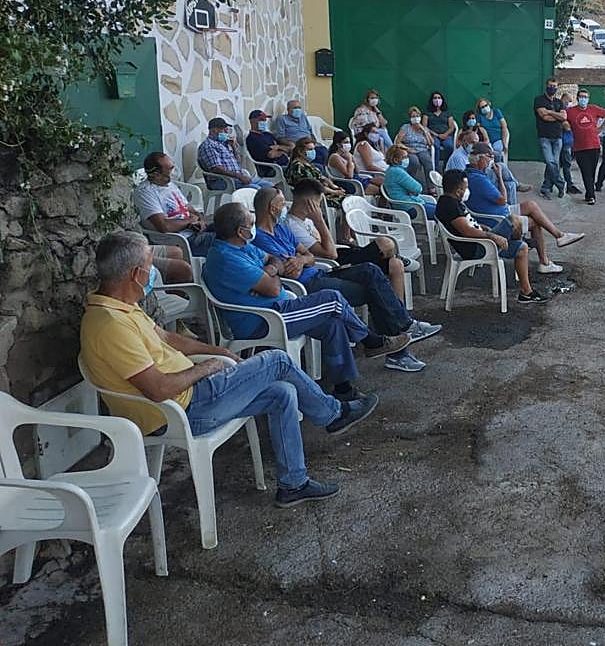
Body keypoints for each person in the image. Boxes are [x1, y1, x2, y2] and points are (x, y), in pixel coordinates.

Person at [81, 230, 378, 507]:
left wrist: (218, 351)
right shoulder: (111, 326)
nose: (153, 273)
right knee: (277, 360)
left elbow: (168, 338)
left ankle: (293, 484)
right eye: (150, 266)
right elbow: (158, 390)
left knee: (283, 393)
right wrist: (207, 368)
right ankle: (333, 414)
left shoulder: (124, 307)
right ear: (136, 275)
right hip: (181, 411)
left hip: (193, 396)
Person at [202, 203, 410, 399]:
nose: (254, 226)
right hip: (264, 320)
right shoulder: (227, 259)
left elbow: (274, 260)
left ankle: (344, 390)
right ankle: (371, 341)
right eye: (251, 223)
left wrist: (270, 270)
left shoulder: (241, 246)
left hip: (279, 308)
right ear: (241, 232)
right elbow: (274, 289)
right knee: (332, 299)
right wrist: (272, 277)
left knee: (332, 323)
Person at [250, 188, 439, 372]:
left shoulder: (281, 229)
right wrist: (301, 260)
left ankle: (403, 329)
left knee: (370, 270)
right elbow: (290, 272)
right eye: (282, 204)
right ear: (272, 209)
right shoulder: (260, 239)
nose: (285, 207)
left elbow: (309, 257)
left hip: (319, 273)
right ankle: (398, 350)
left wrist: (302, 260)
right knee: (375, 291)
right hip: (307, 286)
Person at [464, 142, 584, 274]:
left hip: (497, 211)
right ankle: (545, 260)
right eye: (489, 157)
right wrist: (499, 177)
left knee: (530, 205)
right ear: (480, 159)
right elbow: (503, 200)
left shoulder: (472, 173)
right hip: (497, 218)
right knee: (535, 222)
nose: (491, 161)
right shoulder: (478, 179)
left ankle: (559, 236)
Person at [287, 179, 412, 303]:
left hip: (341, 253)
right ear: (308, 203)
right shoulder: (293, 226)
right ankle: (396, 260)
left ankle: (400, 311)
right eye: (318, 204)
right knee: (385, 243)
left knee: (396, 264)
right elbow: (330, 254)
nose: (319, 209)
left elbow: (328, 244)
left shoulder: (308, 220)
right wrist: (319, 221)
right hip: (333, 262)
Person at [436, 169, 547, 304]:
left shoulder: (450, 201)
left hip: (480, 242)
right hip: (477, 248)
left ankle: (526, 293)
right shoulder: (449, 206)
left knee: (521, 248)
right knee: (513, 220)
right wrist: (493, 236)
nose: (467, 191)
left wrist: (482, 227)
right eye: (465, 188)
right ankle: (515, 238)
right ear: (458, 191)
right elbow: (467, 232)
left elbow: (468, 224)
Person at [135, 152, 215, 256]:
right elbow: (164, 226)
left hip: (195, 230)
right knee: (227, 240)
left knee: (230, 224)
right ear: (157, 174)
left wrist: (201, 220)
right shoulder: (145, 192)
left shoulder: (169, 185)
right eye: (170, 169)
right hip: (182, 240)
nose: (174, 172)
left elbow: (189, 209)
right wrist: (190, 221)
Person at [198, 117, 275, 191]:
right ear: (214, 130)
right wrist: (239, 176)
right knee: (256, 189)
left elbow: (238, 162)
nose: (226, 132)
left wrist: (233, 147)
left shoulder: (223, 144)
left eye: (227, 130)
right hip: (223, 180)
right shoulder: (208, 145)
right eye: (224, 130)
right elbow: (216, 168)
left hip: (237, 178)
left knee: (269, 186)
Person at [564, 87, 605, 204]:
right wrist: (565, 124)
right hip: (580, 147)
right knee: (585, 171)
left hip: (594, 146)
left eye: (585, 97)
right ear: (577, 98)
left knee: (591, 172)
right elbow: (563, 118)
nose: (583, 99)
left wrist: (601, 128)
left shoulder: (593, 109)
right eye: (581, 97)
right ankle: (591, 195)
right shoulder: (570, 111)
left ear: (588, 99)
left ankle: (589, 194)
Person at [533, 78, 567, 199]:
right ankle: (561, 183)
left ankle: (546, 187)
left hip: (558, 136)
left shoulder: (559, 102)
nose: (552, 88)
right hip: (544, 136)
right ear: (546, 86)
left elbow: (564, 117)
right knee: (550, 162)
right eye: (550, 86)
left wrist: (550, 112)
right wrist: (557, 116)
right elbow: (544, 116)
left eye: (555, 86)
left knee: (554, 163)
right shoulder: (539, 100)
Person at [383, 143, 437, 219]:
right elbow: (418, 188)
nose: (407, 159)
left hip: (407, 205)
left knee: (441, 209)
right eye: (404, 157)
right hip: (410, 207)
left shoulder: (390, 170)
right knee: (443, 213)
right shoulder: (398, 172)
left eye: (407, 156)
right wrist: (412, 191)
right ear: (396, 160)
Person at [274, 99, 328, 166]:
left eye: (299, 108)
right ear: (288, 110)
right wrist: (291, 144)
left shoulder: (303, 117)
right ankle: (313, 168)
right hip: (299, 145)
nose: (298, 110)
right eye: (295, 108)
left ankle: (320, 168)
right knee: (316, 156)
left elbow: (310, 131)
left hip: (309, 143)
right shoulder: (282, 119)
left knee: (323, 150)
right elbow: (280, 137)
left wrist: (314, 142)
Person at [327, 130, 382, 195]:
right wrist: (349, 159)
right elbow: (349, 176)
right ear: (338, 144)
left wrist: (352, 159)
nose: (348, 145)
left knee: (382, 182)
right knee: (379, 190)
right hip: (348, 183)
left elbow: (357, 171)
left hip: (356, 178)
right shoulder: (335, 157)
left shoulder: (347, 154)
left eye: (349, 142)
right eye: (346, 142)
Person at [397, 107, 436, 191]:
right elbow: (398, 142)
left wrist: (424, 131)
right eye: (413, 116)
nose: (415, 118)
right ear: (410, 118)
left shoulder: (424, 128)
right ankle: (409, 184)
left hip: (422, 149)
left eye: (417, 116)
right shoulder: (406, 127)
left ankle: (431, 187)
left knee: (428, 162)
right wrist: (407, 149)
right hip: (409, 149)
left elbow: (431, 143)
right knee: (414, 162)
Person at [245, 109, 290, 175]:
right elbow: (271, 155)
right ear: (252, 121)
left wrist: (278, 147)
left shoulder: (268, 134)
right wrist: (283, 151)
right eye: (261, 119)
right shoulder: (252, 138)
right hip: (272, 169)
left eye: (265, 119)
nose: (264, 121)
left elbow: (289, 148)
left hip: (285, 164)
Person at [424, 91, 458, 170]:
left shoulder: (447, 113)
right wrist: (436, 135)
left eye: (439, 98)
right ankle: (435, 169)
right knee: (435, 146)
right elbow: (424, 127)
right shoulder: (427, 113)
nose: (437, 100)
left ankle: (446, 167)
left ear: (442, 100)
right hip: (433, 136)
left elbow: (452, 127)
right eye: (435, 98)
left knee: (449, 146)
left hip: (446, 135)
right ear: (432, 100)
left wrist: (445, 134)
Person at [475, 97, 510, 163]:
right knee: (487, 151)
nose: (484, 108)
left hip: (498, 139)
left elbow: (504, 127)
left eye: (486, 105)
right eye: (482, 107)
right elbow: (478, 128)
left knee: (497, 150)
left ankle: (498, 166)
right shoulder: (479, 116)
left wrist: (505, 143)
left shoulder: (496, 112)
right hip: (486, 140)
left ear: (489, 104)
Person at [558, 98, 582, 195]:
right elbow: (567, 126)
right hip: (563, 141)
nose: (568, 103)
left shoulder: (570, 113)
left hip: (569, 142)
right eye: (567, 101)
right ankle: (565, 185)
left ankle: (568, 185)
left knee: (566, 165)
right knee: (561, 165)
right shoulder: (561, 112)